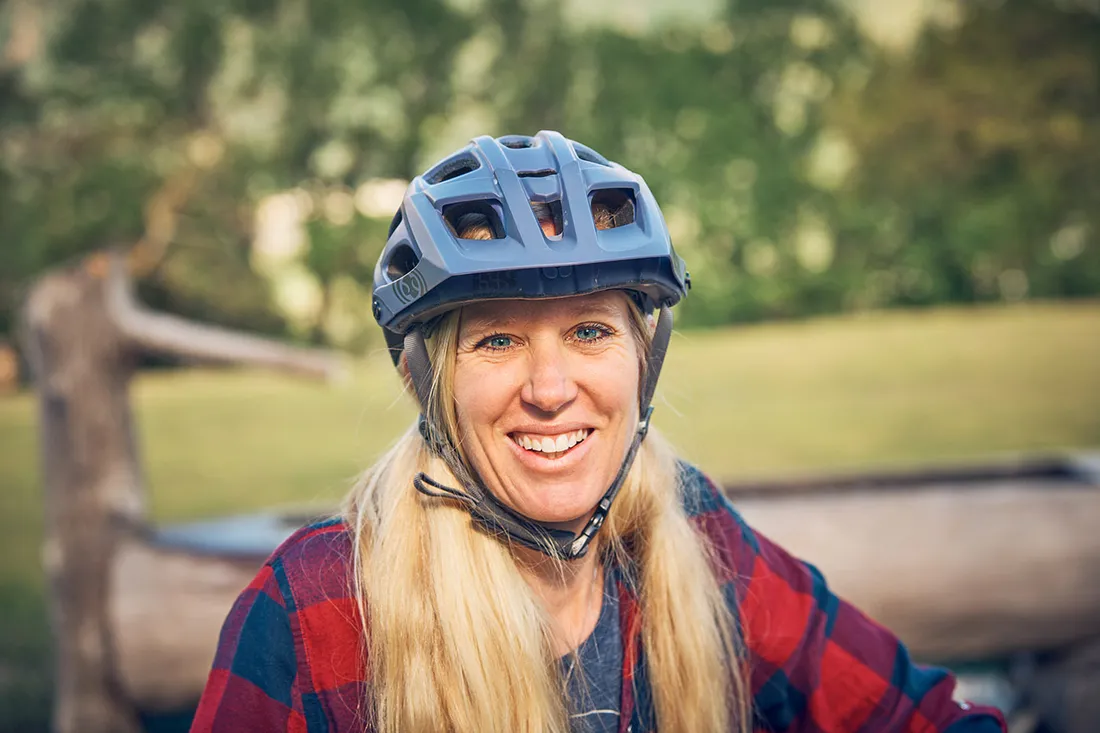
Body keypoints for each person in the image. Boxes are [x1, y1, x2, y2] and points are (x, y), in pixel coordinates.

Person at [190, 131, 1007, 733]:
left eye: (589, 331)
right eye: (497, 340)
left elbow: (913, 715)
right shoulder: (319, 609)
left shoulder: (694, 534)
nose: (551, 390)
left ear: (643, 362)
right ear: (423, 381)